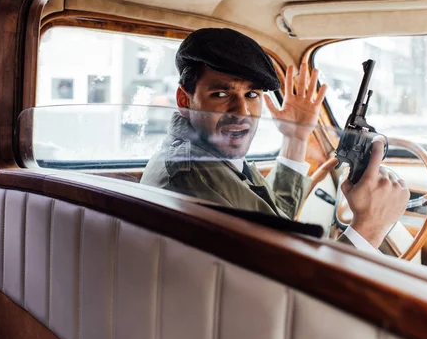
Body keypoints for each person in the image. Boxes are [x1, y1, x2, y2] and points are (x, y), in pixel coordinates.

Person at [141, 28, 410, 252]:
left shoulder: (208, 158)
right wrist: (370, 227)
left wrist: (295, 138)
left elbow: (271, 220)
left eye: (252, 95)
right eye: (221, 94)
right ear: (184, 101)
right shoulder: (192, 182)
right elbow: (292, 296)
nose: (242, 112)